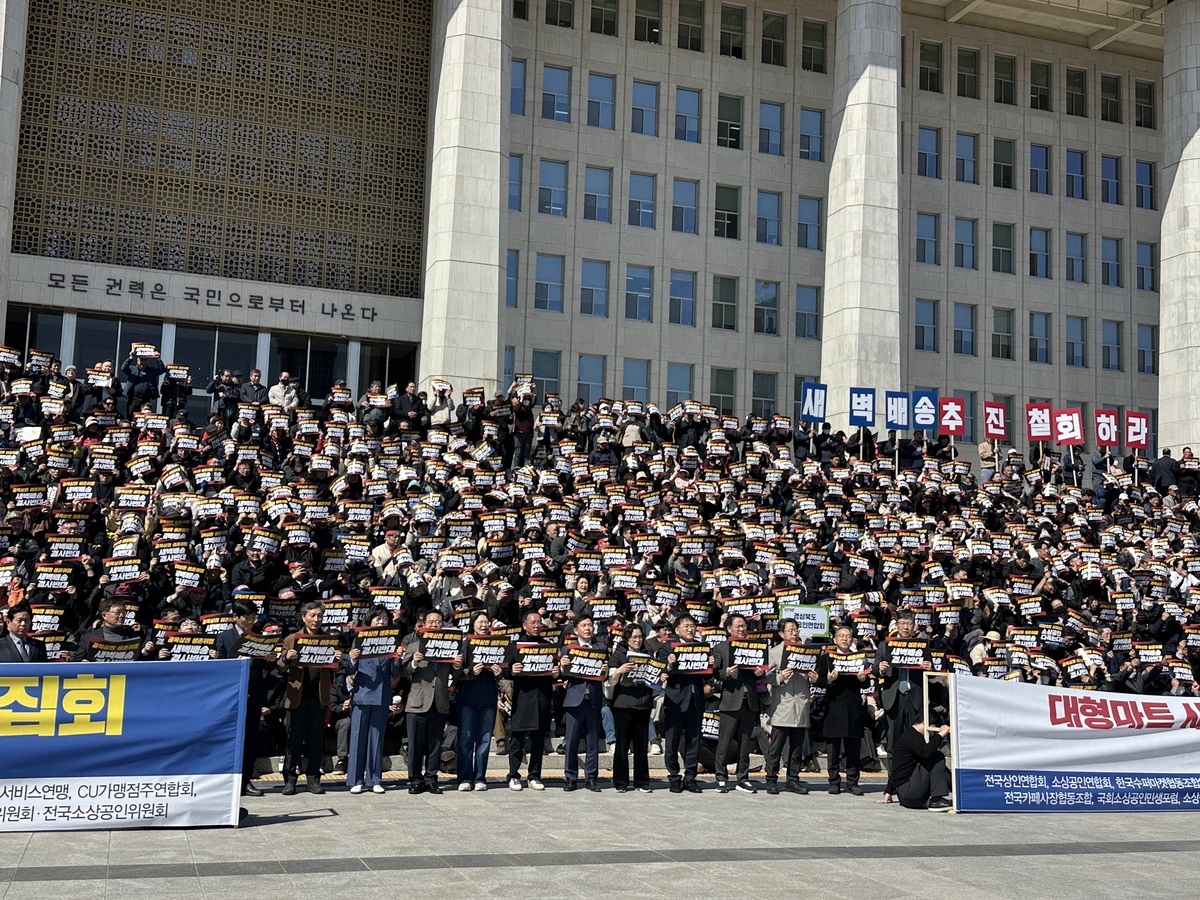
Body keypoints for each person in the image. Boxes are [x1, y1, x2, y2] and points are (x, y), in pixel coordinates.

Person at [277, 600, 343, 795]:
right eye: (312, 615)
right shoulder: (292, 638)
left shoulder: (328, 639)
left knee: (316, 739)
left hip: (319, 696)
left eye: (320, 616)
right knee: (293, 740)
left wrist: (337, 660)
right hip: (297, 695)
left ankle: (313, 778)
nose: (316, 619)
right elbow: (280, 667)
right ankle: (290, 779)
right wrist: (286, 658)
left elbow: (335, 669)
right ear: (304, 617)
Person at [214, 599, 271, 796]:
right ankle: (226, 782)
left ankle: (246, 781)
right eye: (246, 617)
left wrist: (270, 658)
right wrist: (234, 663)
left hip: (253, 694)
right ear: (235, 617)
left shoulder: (258, 637)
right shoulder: (223, 637)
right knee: (229, 740)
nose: (250, 621)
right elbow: (217, 666)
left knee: (250, 739)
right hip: (231, 696)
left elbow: (267, 668)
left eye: (253, 617)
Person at [401, 610, 462, 794]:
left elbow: (455, 674)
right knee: (415, 744)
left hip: (439, 701)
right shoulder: (414, 645)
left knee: (435, 744)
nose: (435, 625)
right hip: (417, 702)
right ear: (424, 625)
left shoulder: (450, 646)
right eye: (431, 622)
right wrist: (413, 662)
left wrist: (457, 664)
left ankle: (431, 778)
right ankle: (415, 779)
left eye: (438, 622)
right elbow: (403, 671)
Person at [874, 609, 932, 803]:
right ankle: (893, 786)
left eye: (910, 624)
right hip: (894, 699)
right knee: (893, 745)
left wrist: (928, 667)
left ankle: (915, 783)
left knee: (917, 744)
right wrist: (880, 669)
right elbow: (874, 668)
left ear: (914, 626)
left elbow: (931, 669)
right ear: (896, 626)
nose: (906, 627)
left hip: (914, 699)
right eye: (902, 624)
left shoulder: (922, 645)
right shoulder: (885, 645)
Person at [345, 606, 400, 795]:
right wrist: (351, 660)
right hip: (362, 693)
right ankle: (356, 779)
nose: (382, 622)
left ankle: (374, 779)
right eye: (378, 618)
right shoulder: (360, 639)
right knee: (358, 738)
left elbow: (395, 672)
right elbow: (349, 670)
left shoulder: (391, 640)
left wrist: (398, 658)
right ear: (370, 621)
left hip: (382, 695)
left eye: (385, 618)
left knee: (376, 739)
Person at [711, 614, 766, 793]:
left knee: (745, 742)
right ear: (729, 629)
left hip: (749, 700)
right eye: (738, 626)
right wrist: (725, 672)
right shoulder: (720, 648)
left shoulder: (754, 646)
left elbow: (762, 670)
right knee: (724, 742)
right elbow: (715, 672)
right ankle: (720, 777)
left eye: (744, 626)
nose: (742, 629)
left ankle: (743, 778)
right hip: (730, 699)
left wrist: (760, 673)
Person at [507, 611, 560, 792]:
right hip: (523, 699)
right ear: (525, 625)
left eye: (539, 622)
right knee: (517, 740)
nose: (536, 625)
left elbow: (555, 671)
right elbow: (505, 672)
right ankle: (513, 775)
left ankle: (534, 775)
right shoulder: (515, 646)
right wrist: (512, 671)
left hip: (542, 698)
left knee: (539, 741)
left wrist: (556, 673)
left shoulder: (548, 646)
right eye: (533, 622)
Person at [658, 614, 710, 794]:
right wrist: (668, 664)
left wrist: (711, 664)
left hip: (696, 700)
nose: (690, 629)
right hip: (676, 700)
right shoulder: (668, 646)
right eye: (686, 626)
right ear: (677, 629)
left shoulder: (701, 647)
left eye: (693, 626)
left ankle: (690, 777)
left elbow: (708, 673)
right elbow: (660, 669)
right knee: (672, 741)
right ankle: (674, 777)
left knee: (694, 740)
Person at [764, 618, 814, 795]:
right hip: (782, 706)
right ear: (781, 633)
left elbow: (813, 674)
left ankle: (793, 779)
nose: (794, 632)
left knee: (797, 748)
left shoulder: (806, 652)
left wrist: (814, 678)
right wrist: (779, 677)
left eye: (796, 629)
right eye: (790, 629)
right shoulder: (775, 652)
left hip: (800, 705)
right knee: (776, 747)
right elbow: (766, 677)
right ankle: (771, 779)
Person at [818, 625, 869, 796]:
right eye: (841, 636)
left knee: (853, 747)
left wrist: (863, 679)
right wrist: (829, 680)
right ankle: (833, 781)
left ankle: (853, 782)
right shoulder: (826, 658)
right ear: (835, 639)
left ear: (853, 639)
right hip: (834, 706)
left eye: (848, 636)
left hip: (853, 706)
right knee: (833, 748)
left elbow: (867, 683)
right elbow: (819, 683)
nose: (845, 639)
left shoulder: (860, 658)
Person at [456, 611, 503, 791]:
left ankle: (480, 777)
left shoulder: (495, 645)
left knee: (484, 741)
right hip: (467, 698)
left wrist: (499, 673)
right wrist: (470, 672)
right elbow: (457, 673)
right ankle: (464, 778)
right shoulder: (465, 644)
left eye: (486, 622)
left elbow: (505, 671)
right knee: (466, 740)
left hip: (488, 699)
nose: (483, 625)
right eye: (480, 622)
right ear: (473, 624)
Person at [607, 623, 656, 792]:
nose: (637, 640)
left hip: (643, 704)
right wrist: (620, 670)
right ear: (626, 639)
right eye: (634, 637)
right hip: (623, 704)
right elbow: (610, 680)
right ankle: (620, 782)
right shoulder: (618, 655)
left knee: (641, 745)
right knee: (622, 745)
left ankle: (642, 782)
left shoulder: (648, 653)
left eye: (640, 637)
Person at [890, 721, 953, 811]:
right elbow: (926, 753)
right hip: (909, 792)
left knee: (934, 762)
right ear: (926, 723)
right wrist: (941, 734)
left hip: (904, 794)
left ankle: (960, 790)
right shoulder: (914, 736)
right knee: (936, 756)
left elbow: (896, 767)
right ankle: (936, 800)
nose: (933, 734)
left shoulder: (907, 734)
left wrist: (888, 791)